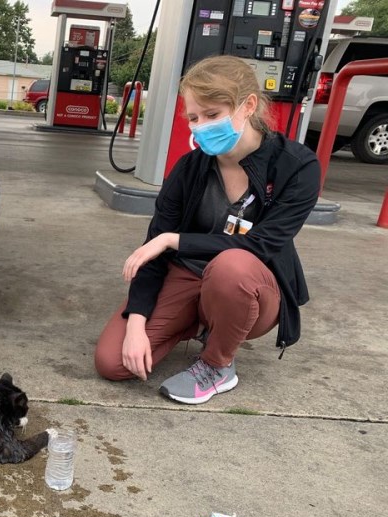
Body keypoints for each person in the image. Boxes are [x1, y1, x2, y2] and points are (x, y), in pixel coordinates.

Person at [94, 55, 320, 405]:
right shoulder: (189, 168)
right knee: (112, 361)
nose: (201, 127)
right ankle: (196, 320)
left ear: (248, 106)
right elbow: (153, 251)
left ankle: (217, 365)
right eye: (193, 118)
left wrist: (174, 240)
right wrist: (136, 322)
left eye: (212, 115)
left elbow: (260, 245)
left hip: (251, 285)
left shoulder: (297, 166)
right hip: (188, 274)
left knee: (232, 265)